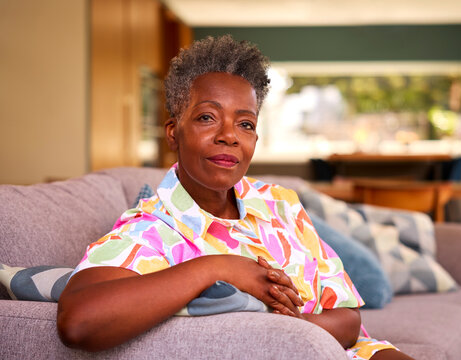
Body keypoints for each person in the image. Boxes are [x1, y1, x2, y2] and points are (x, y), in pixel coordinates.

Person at [57, 35, 414, 360]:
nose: (229, 136)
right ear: (173, 133)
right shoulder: (149, 231)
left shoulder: (280, 204)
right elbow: (79, 323)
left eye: (245, 124)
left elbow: (349, 320)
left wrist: (296, 335)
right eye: (207, 117)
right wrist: (219, 266)